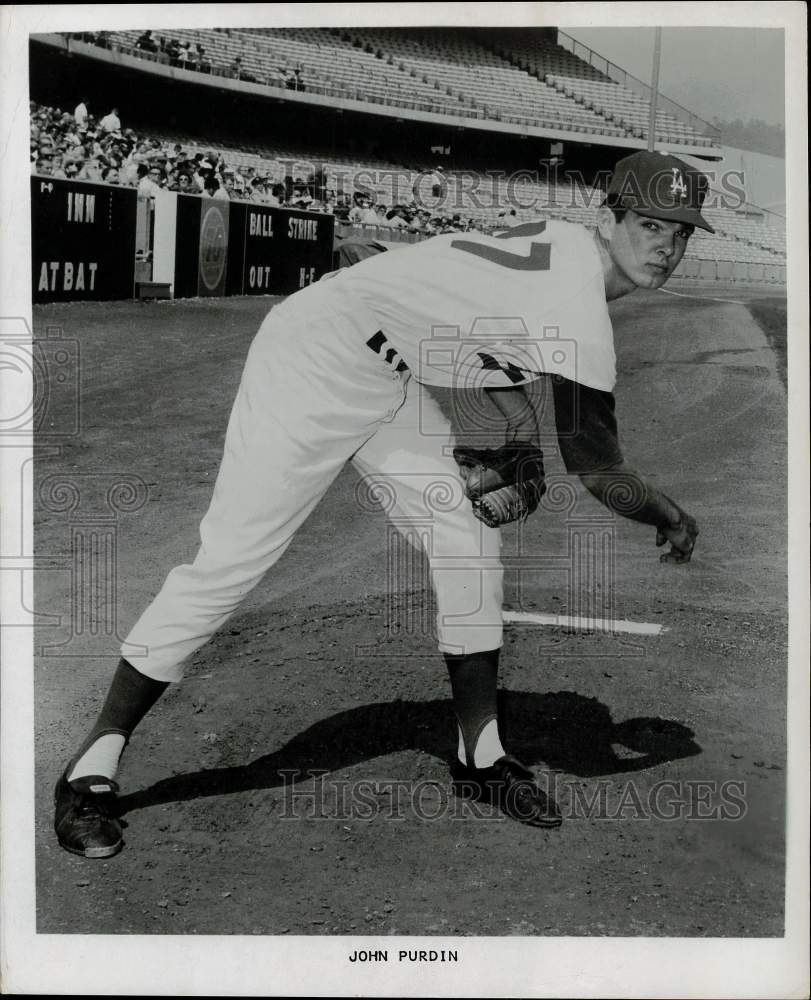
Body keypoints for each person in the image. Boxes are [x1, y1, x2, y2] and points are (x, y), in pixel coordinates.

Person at [54, 150, 706, 859]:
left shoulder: (560, 244)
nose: (664, 247)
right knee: (233, 561)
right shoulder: (580, 301)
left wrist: (516, 426)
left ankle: (481, 758)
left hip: (383, 368)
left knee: (465, 541)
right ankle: (89, 769)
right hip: (309, 360)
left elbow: (472, 330)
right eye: (649, 224)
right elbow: (598, 469)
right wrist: (668, 515)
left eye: (679, 232)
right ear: (607, 218)